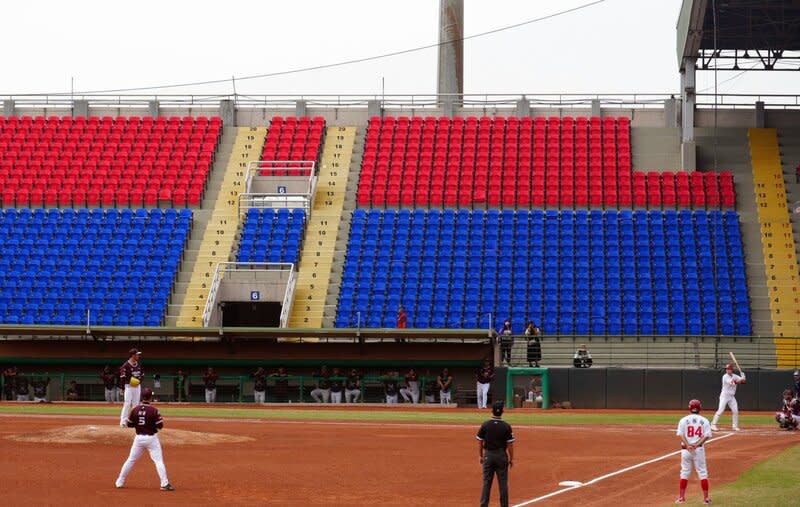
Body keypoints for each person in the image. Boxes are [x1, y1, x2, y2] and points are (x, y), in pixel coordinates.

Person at [115, 388, 175, 491]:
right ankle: (164, 483)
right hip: (151, 439)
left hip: (138, 439)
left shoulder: (135, 409)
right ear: (150, 398)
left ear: (142, 397)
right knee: (158, 461)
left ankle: (119, 481)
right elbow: (160, 426)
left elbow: (129, 424)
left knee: (131, 460)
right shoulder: (154, 410)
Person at [476, 400, 515, 507]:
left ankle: (484, 505)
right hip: (501, 456)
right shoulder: (506, 426)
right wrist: (511, 458)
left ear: (492, 411)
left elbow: (480, 441)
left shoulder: (485, 425)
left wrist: (480, 455)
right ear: (502, 411)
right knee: (503, 483)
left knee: (486, 482)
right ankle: (504, 505)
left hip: (488, 455)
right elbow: (510, 445)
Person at [675, 399, 712, 504]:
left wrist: (688, 445)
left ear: (689, 407)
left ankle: (681, 498)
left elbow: (681, 434)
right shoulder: (704, 420)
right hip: (699, 450)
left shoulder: (683, 420)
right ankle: (706, 499)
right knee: (702, 473)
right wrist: (696, 445)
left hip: (685, 450)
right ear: (700, 407)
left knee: (684, 472)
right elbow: (707, 436)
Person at [710, 363, 746, 432]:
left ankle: (735, 426)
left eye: (729, 369)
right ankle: (713, 424)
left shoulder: (735, 376)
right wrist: (741, 379)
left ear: (732, 370)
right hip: (724, 396)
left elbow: (743, 382)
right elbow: (733, 383)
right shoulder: (725, 376)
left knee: (735, 411)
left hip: (731, 397)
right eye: (726, 369)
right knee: (721, 410)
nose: (727, 370)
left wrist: (743, 377)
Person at [119, 348, 143, 427]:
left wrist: (139, 381)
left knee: (136, 404)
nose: (138, 356)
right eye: (137, 354)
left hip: (137, 386)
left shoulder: (139, 364)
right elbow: (122, 377)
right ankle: (123, 421)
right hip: (128, 386)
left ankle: (134, 421)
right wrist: (122, 388)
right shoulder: (125, 365)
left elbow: (142, 375)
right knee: (127, 403)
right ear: (133, 355)